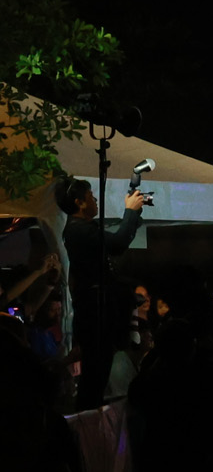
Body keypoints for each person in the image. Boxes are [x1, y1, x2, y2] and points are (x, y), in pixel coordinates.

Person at [56, 174, 147, 410]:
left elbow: (116, 242)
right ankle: (88, 422)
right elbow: (117, 244)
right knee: (95, 376)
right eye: (91, 196)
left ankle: (90, 418)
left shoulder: (80, 229)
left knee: (97, 374)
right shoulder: (78, 231)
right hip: (95, 312)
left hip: (95, 309)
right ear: (79, 202)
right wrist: (130, 212)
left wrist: (133, 214)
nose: (95, 201)